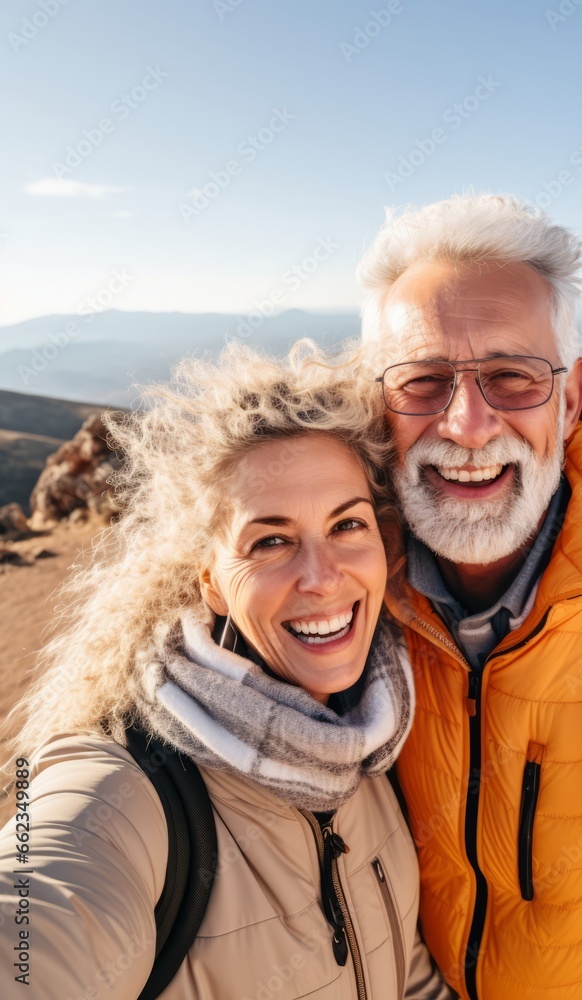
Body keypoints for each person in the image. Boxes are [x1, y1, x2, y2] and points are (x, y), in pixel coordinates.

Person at [0, 341, 451, 999]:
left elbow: (405, 975)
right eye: (270, 540)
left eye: (346, 525)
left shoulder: (376, 744)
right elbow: (40, 920)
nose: (322, 578)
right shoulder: (128, 788)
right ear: (210, 582)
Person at [357, 193, 582, 1000]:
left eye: (510, 376)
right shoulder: (339, 593)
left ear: (569, 401)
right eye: (422, 381)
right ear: (374, 405)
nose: (465, 424)